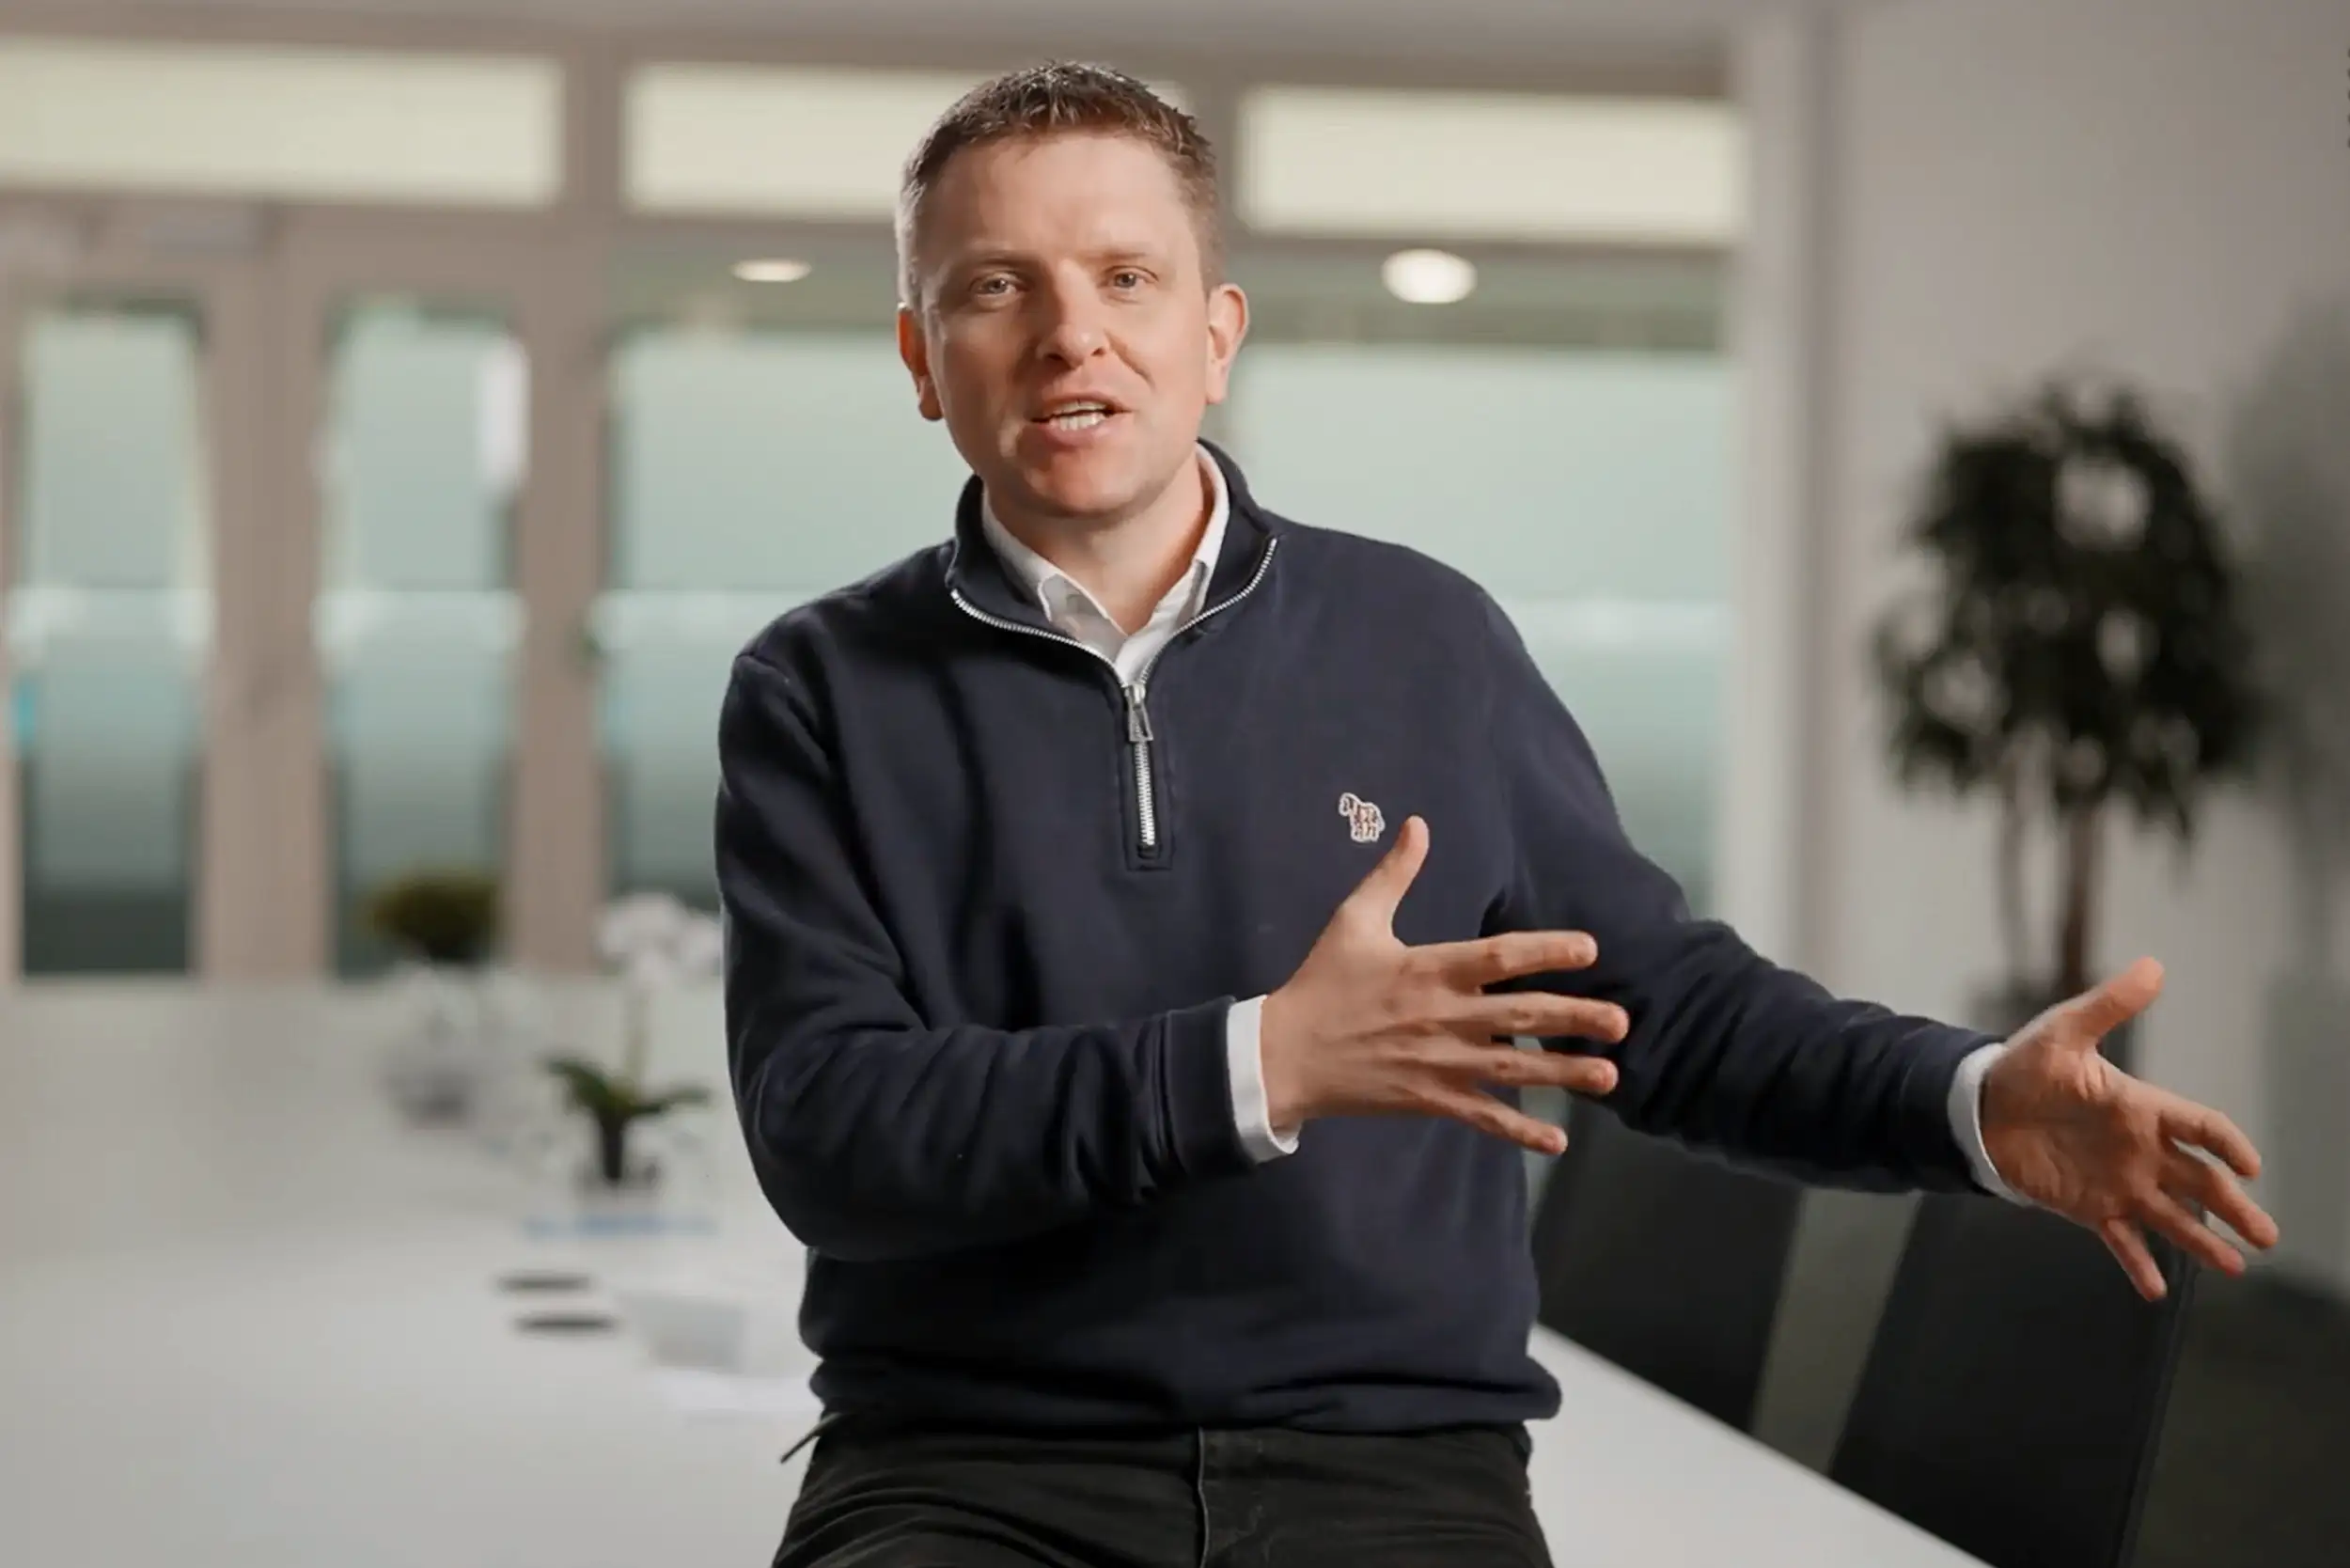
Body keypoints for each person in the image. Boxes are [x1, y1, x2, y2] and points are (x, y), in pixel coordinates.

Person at [714, 62, 2278, 1568]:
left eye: (1127, 278)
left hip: (1390, 1469)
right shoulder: (817, 688)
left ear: (1215, 331)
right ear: (920, 356)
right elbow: (831, 1130)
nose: (1074, 336)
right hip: (969, 1469)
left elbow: (1664, 1010)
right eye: (997, 286)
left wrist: (1969, 1100)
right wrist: (1264, 1061)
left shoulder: (1426, 641)